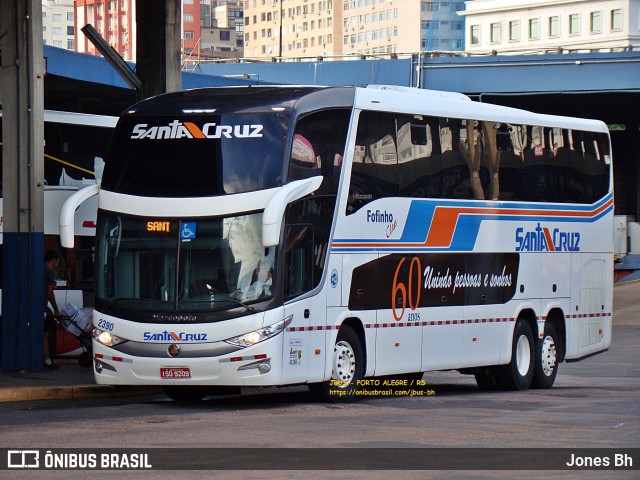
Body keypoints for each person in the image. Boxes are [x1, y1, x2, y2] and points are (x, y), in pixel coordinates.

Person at [44, 250, 61, 370]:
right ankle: (48, 360)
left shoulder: (37, 269)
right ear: (53, 260)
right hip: (42, 307)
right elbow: (50, 293)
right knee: (47, 333)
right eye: (57, 262)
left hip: (34, 306)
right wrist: (56, 309)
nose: (57, 265)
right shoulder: (50, 273)